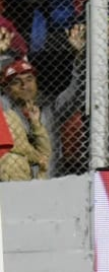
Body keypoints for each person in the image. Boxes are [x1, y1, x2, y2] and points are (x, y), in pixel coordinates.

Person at [0, 24, 86, 178]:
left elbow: (78, 91)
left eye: (29, 79)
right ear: (6, 89)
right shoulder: (4, 108)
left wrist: (81, 57)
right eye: (16, 82)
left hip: (50, 181)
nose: (24, 86)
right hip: (14, 182)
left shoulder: (50, 110)